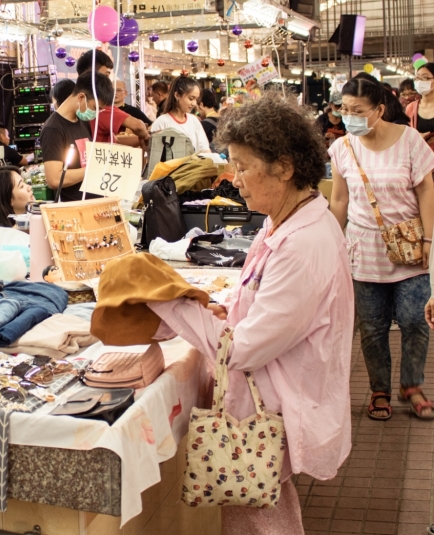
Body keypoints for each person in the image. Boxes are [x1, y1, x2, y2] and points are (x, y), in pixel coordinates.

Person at [142, 96, 353, 534]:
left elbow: (242, 349)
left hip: (273, 402)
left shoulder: (303, 242)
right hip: (267, 399)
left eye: (243, 166)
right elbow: (257, 304)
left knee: (257, 512)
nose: (234, 180)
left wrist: (164, 299)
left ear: (285, 166)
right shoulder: (285, 220)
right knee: (263, 506)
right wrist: (221, 307)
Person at [329, 76, 434, 422]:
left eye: (357, 111)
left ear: (378, 110)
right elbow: (339, 198)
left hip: (410, 248)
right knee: (373, 328)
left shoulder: (408, 140)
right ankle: (380, 389)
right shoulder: (342, 148)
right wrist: (332, 242)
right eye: (344, 109)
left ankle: (412, 383)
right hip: (363, 251)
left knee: (414, 320)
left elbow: (426, 190)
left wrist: (429, 240)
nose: (348, 117)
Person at [40, 72, 108, 202]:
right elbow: (54, 179)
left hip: (93, 202)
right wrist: (91, 170)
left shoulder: (82, 120)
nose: (96, 113)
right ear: (81, 97)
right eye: (95, 108)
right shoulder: (53, 129)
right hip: (73, 208)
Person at [150, 77, 211, 153]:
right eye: (191, 98)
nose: (194, 103)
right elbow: (154, 155)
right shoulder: (161, 122)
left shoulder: (194, 121)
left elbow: (204, 149)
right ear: (177, 95)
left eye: (196, 99)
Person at [92, 78, 150, 149]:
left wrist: (144, 135)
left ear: (125, 93)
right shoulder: (103, 110)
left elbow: (143, 126)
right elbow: (139, 126)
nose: (115, 93)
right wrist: (145, 135)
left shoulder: (133, 111)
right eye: (112, 90)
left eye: (118, 90)